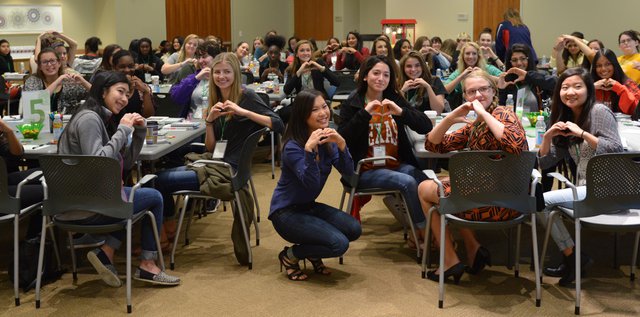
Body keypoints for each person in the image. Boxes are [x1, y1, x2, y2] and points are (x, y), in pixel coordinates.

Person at [155, 53, 284, 265]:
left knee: (157, 181)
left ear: (236, 73)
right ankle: (166, 231)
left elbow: (278, 124)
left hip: (227, 169)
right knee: (164, 170)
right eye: (217, 72)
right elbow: (211, 147)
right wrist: (209, 122)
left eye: (226, 72)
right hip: (217, 160)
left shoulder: (247, 96)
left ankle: (162, 237)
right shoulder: (217, 99)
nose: (221, 76)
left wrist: (243, 111)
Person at [57, 71, 180, 286]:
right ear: (103, 91)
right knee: (154, 197)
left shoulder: (98, 116)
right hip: (84, 207)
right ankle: (147, 265)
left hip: (84, 201)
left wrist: (139, 133)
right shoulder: (89, 119)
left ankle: (107, 253)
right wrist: (123, 130)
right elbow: (99, 160)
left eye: (127, 94)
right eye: (120, 92)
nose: (124, 99)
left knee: (128, 197)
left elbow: (124, 163)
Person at [418, 70, 528, 283]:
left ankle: (450, 259)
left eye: (483, 89)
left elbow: (515, 145)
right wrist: (450, 118)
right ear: (465, 97)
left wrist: (484, 114)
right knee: (443, 185)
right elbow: (433, 144)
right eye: (472, 92)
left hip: (501, 203)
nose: (478, 95)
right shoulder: (473, 127)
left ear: (493, 91)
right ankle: (473, 248)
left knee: (424, 189)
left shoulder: (504, 113)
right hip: (497, 199)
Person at [537, 67, 623, 287]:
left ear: (588, 89)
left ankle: (573, 258)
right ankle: (572, 257)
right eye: (565, 87)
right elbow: (546, 162)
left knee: (541, 202)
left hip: (609, 189)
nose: (570, 92)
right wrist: (547, 137)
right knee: (543, 204)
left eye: (577, 86)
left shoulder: (598, 112)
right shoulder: (563, 116)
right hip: (587, 190)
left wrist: (582, 133)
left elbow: (615, 150)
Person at [338, 55, 432, 248]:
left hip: (395, 163)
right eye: (376, 73)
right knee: (406, 182)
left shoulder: (393, 98)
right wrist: (365, 114)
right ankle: (423, 231)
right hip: (364, 168)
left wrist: (402, 112)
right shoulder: (353, 102)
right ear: (365, 76)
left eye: (386, 75)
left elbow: (424, 126)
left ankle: (424, 231)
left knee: (423, 181)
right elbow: (343, 140)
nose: (381, 78)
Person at [270, 89, 361, 281]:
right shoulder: (293, 146)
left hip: (308, 206)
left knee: (353, 229)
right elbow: (310, 185)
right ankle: (290, 256)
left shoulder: (326, 139)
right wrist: (309, 151)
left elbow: (348, 174)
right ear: (303, 115)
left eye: (324, 106)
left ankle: (311, 249)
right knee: (339, 244)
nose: (323, 113)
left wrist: (343, 145)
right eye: (315, 110)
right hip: (286, 213)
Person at [0, 118, 43, 240]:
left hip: (4, 181)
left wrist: (8, 132)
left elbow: (17, 153)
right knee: (47, 189)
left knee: (48, 175)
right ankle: (33, 240)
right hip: (3, 196)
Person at [23, 48, 91, 114]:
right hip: (39, 123)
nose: (49, 64)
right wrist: (57, 82)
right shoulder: (33, 81)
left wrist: (83, 82)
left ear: (59, 63)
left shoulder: (69, 81)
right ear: (40, 66)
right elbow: (36, 101)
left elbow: (97, 94)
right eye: (45, 62)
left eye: (52, 61)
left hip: (67, 123)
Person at [169, 41, 222, 118]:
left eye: (204, 57)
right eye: (198, 57)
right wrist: (196, 79)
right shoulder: (195, 76)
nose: (200, 61)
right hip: (192, 123)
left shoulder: (224, 78)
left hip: (215, 122)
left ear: (216, 57)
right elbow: (176, 98)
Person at [444, 42, 502, 108]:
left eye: (474, 54)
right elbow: (444, 90)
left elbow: (504, 79)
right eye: (467, 53)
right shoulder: (458, 72)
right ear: (463, 56)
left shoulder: (487, 68)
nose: (471, 56)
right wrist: (461, 76)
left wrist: (484, 75)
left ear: (478, 56)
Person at [497, 43, 554, 109]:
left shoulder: (539, 76)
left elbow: (556, 84)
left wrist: (528, 76)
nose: (519, 63)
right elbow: (502, 109)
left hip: (538, 118)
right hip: (515, 118)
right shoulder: (507, 81)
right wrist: (501, 90)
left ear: (528, 59)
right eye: (514, 60)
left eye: (523, 59)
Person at [590, 48, 640, 115]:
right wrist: (592, 87)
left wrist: (620, 89)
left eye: (607, 64)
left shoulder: (629, 84)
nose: (603, 69)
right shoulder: (591, 85)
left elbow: (636, 111)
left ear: (614, 65)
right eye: (599, 66)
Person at [110, 50, 156, 118]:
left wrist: (146, 92)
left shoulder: (142, 87)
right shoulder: (108, 87)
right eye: (122, 67)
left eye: (130, 66)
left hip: (137, 126)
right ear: (114, 68)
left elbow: (148, 116)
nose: (127, 70)